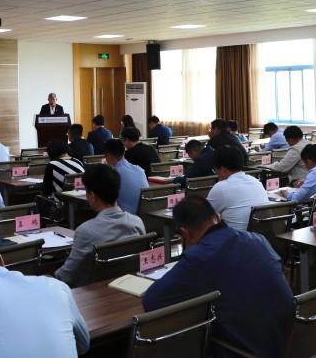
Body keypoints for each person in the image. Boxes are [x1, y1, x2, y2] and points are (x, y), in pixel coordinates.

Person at [143, 195, 294, 358]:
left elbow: (152, 301)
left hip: (242, 351)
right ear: (218, 217)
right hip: (285, 342)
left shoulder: (199, 257)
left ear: (185, 233)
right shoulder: (258, 240)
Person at [55, 164, 145, 287]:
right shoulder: (137, 222)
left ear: (92, 196)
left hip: (92, 293)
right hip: (126, 286)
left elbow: (66, 276)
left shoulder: (85, 231)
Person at [206, 146, 269, 231]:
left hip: (234, 237)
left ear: (223, 169)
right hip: (261, 237)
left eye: (215, 170)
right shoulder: (256, 181)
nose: (216, 174)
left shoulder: (221, 188)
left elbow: (203, 217)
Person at [104, 139, 148, 215]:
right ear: (124, 152)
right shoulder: (140, 170)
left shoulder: (112, 175)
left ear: (109, 155)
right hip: (143, 216)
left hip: (123, 218)